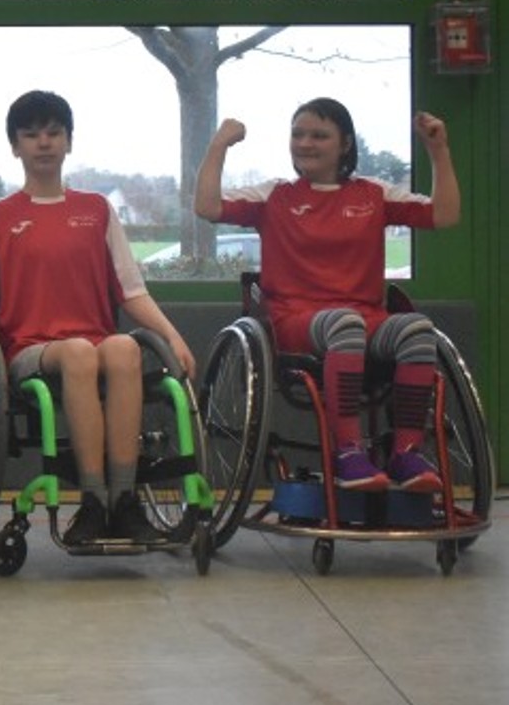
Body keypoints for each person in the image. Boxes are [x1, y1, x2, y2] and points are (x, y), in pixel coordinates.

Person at [0, 90, 196, 545]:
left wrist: (173, 337)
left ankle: (124, 501)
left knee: (125, 347)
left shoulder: (97, 210)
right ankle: (92, 501)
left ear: (69, 141)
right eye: (31, 135)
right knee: (78, 353)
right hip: (30, 351)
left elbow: (131, 292)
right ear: (15, 146)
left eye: (54, 133)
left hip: (95, 345)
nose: (44, 143)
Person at [194, 99, 458, 491]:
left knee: (417, 329)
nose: (305, 143)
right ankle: (348, 452)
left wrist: (438, 150)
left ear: (345, 144)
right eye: (298, 134)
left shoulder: (373, 194)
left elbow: (444, 215)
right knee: (345, 324)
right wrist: (219, 145)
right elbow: (207, 206)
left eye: (319, 135)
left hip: (366, 319)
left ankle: (406, 453)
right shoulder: (275, 195)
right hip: (296, 322)